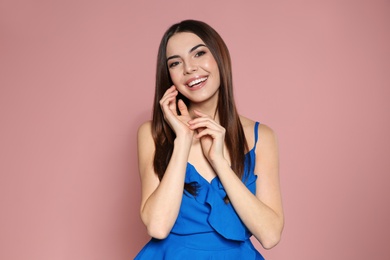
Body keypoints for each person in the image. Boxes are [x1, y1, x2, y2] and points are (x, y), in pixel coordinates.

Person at [134, 20, 284, 259]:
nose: (189, 68)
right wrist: (182, 141)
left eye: (199, 53)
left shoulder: (260, 137)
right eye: (175, 62)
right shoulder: (153, 134)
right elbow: (157, 226)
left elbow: (270, 235)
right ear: (169, 75)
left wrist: (219, 162)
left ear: (219, 57)